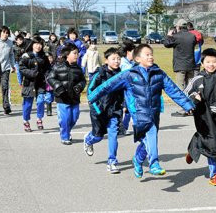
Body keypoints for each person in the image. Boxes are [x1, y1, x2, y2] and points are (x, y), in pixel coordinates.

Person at [88, 44, 195, 178]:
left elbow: (173, 90)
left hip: (154, 112)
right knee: (150, 134)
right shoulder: (128, 75)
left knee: (148, 141)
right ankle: (154, 164)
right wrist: (92, 97)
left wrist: (187, 105)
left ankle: (137, 160)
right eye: (147, 55)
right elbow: (108, 86)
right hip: (138, 113)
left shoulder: (159, 73)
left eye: (151, 54)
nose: (151, 57)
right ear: (137, 59)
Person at [184, 48, 216, 186]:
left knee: (210, 138)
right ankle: (214, 174)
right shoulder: (197, 79)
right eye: (208, 62)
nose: (211, 64)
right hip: (201, 116)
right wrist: (194, 98)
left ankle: (193, 149)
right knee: (212, 142)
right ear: (202, 63)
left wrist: (215, 107)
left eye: (214, 62)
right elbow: (186, 95)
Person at [83, 48, 124, 174]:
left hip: (115, 111)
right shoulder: (99, 74)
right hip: (99, 110)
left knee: (113, 134)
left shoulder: (122, 74)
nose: (116, 61)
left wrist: (125, 106)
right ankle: (88, 140)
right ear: (106, 61)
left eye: (118, 59)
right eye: (113, 59)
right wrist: (97, 108)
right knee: (98, 136)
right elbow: (90, 92)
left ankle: (112, 161)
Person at [47, 43, 86, 145]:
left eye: (77, 53)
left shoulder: (78, 68)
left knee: (74, 117)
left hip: (74, 97)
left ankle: (66, 130)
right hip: (62, 98)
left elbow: (83, 80)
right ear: (67, 54)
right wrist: (58, 87)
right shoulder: (58, 66)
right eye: (75, 53)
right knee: (65, 119)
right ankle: (65, 136)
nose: (77, 55)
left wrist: (79, 87)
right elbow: (50, 78)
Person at [164, 18, 197, 116]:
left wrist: (169, 35)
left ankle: (184, 109)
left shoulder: (176, 37)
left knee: (180, 87)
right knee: (190, 87)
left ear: (178, 27)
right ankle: (192, 107)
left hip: (180, 65)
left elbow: (166, 44)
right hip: (191, 64)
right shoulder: (192, 36)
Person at [19, 36, 50, 132]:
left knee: (40, 101)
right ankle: (26, 121)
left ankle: (39, 119)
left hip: (41, 83)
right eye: (36, 44)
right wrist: (31, 73)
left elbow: (48, 69)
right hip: (29, 83)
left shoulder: (44, 57)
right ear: (32, 44)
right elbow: (22, 68)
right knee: (27, 104)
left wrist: (48, 77)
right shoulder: (26, 56)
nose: (38, 46)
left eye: (40, 44)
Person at [0, 26, 15, 115]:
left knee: (5, 87)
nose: (5, 35)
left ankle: (6, 107)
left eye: (7, 33)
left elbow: (11, 55)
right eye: (3, 32)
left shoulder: (10, 43)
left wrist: (12, 65)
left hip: (5, 69)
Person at [118, 40, 136, 135]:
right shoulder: (124, 64)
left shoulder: (130, 63)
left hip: (129, 91)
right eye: (134, 52)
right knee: (123, 109)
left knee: (129, 109)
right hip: (122, 91)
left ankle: (124, 127)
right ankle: (119, 127)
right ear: (128, 52)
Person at [45, 52, 56, 116]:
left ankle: (49, 102)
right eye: (48, 58)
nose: (49, 59)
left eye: (50, 58)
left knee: (52, 97)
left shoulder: (55, 65)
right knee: (48, 97)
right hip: (47, 83)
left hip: (53, 83)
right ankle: (49, 110)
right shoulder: (44, 66)